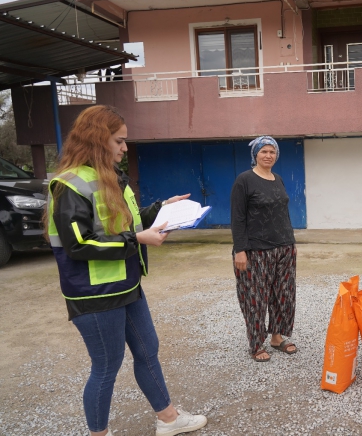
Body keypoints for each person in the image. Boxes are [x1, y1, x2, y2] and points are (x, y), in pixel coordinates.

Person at [44, 105, 207, 436]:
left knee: (149, 350)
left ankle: (169, 419)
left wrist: (161, 209)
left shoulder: (112, 178)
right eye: (119, 140)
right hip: (94, 295)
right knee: (106, 367)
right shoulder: (69, 185)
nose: (124, 148)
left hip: (127, 285)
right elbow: (78, 245)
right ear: (97, 139)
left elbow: (126, 223)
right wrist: (137, 239)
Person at [230, 136, 298, 362]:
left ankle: (277, 337)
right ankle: (256, 343)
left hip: (283, 248)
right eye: (264, 152)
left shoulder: (277, 178)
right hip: (255, 250)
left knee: (283, 295)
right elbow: (237, 218)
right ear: (255, 155)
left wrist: (291, 242)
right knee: (255, 298)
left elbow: (283, 213)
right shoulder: (245, 180)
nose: (268, 155)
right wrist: (240, 250)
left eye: (272, 151)